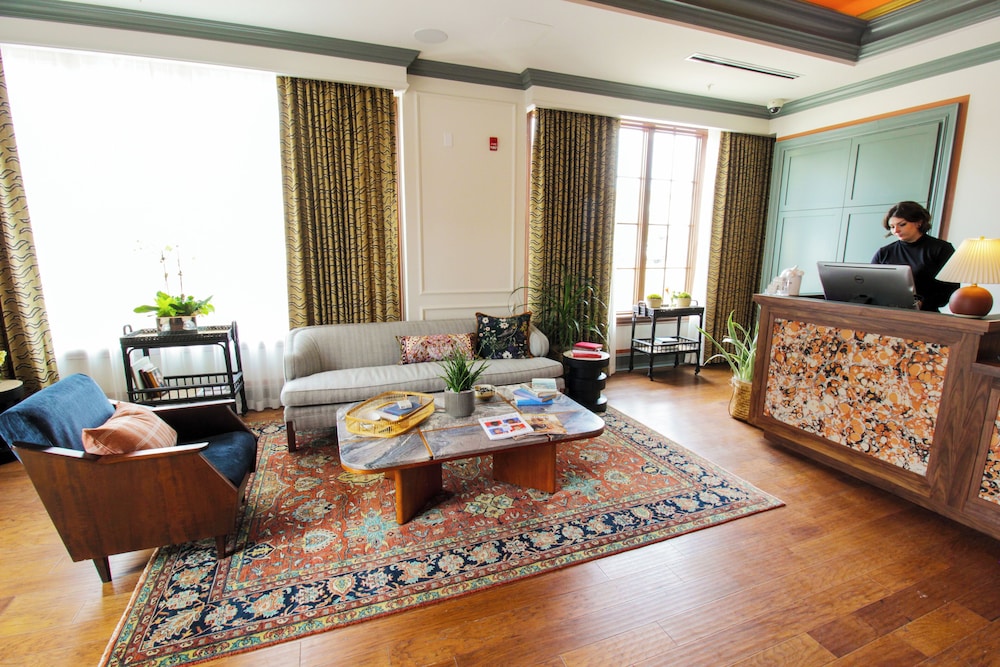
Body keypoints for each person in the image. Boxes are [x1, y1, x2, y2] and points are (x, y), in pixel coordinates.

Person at [871, 201, 959, 311]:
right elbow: (871, 285)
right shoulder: (884, 252)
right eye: (892, 227)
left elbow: (950, 288)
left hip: (924, 313)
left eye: (902, 224)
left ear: (919, 223)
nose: (896, 230)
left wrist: (923, 302)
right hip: (885, 310)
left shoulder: (942, 249)